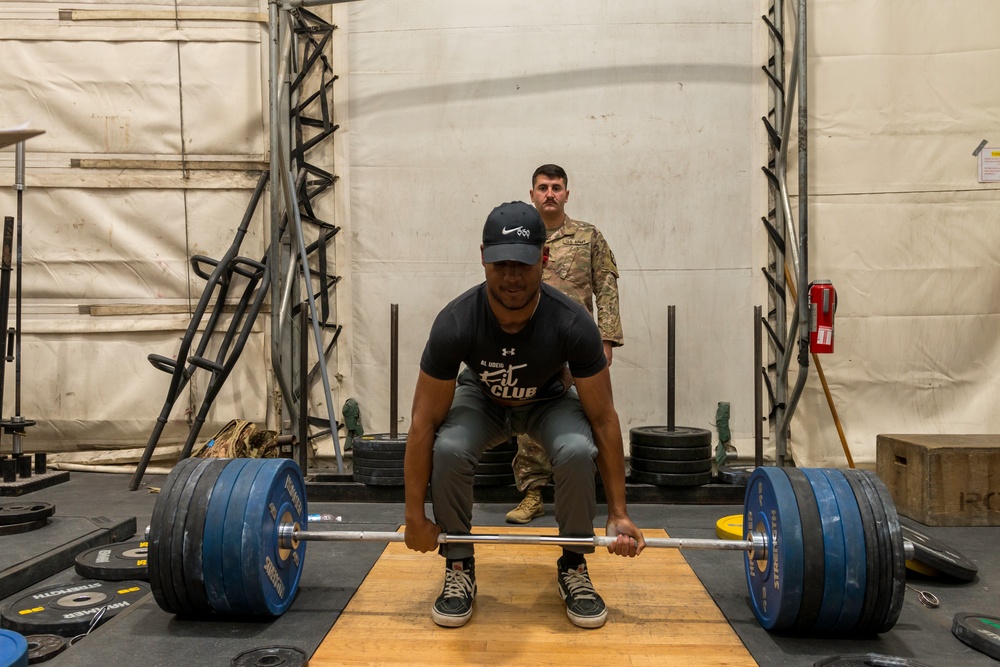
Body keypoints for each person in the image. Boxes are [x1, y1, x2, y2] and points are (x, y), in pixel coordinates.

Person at [403, 200, 645, 630]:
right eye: (501, 264)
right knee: (451, 446)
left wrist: (619, 513)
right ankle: (458, 565)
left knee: (575, 448)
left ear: (544, 258)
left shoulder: (572, 323)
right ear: (482, 257)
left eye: (524, 264)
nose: (512, 277)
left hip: (548, 399)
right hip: (483, 399)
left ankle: (573, 566)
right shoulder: (455, 322)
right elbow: (422, 422)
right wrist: (414, 518)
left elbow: (605, 419)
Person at [506, 164, 624, 524]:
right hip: (532, 341)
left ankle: (598, 497)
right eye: (543, 187)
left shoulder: (588, 237)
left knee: (591, 416)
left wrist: (607, 339)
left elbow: (606, 287)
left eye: (556, 187)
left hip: (578, 344)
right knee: (530, 417)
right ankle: (532, 495)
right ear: (532, 195)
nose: (550, 193)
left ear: (567, 194)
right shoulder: (521, 237)